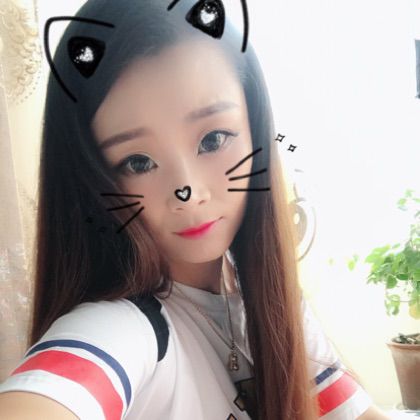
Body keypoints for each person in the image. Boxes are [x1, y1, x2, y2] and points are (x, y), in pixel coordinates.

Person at [0, 0, 389, 418]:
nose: (187, 191)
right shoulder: (126, 329)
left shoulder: (268, 298)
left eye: (213, 139)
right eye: (138, 163)